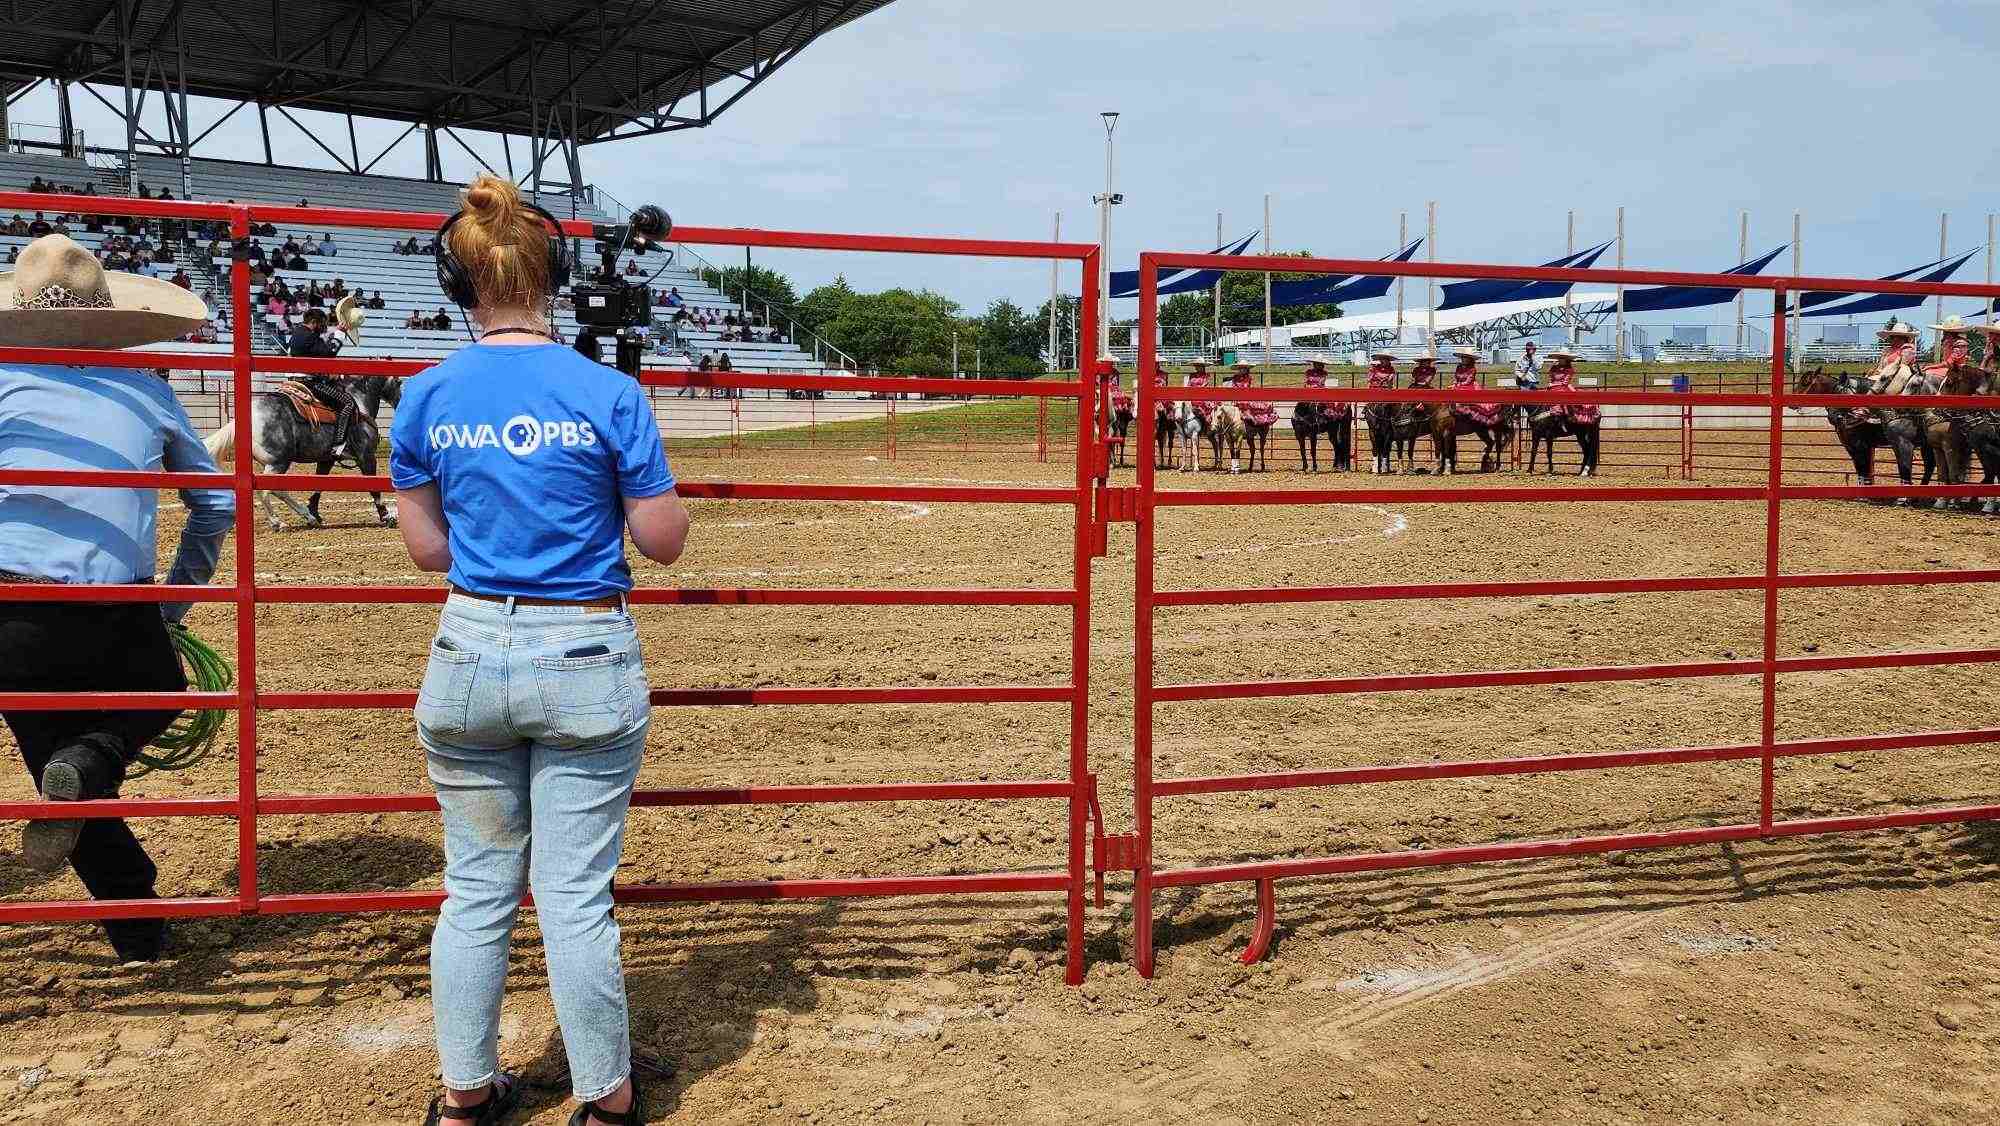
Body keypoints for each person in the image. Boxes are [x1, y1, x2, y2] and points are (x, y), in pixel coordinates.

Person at [389, 173, 688, 1126]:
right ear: (551, 278)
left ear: (459, 283)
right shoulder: (610, 391)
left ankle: (465, 1096)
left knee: (475, 891)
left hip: (471, 647)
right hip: (585, 655)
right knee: (572, 897)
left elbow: (428, 548)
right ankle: (606, 1101)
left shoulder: (425, 394)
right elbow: (663, 539)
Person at [0, 234, 233, 961]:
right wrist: (169, 607)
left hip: (10, 613)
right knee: (160, 690)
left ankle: (137, 928)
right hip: (116, 608)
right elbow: (215, 505)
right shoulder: (147, 386)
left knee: (55, 772)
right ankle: (98, 759)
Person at [288, 307, 357, 458]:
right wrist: (339, 334)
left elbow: (317, 348)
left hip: (293, 379)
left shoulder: (298, 333)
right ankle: (338, 445)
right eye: (321, 324)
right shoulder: (309, 337)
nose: (323, 327)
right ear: (313, 322)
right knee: (347, 403)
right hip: (310, 383)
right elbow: (329, 353)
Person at [1451, 346, 1500, 430]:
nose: (1463, 359)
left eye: (1466, 357)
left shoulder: (1472, 369)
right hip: (1459, 387)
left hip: (1469, 388)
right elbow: (1456, 377)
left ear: (1470, 359)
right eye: (1463, 357)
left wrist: (1458, 385)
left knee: (1467, 404)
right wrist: (1455, 384)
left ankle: (1477, 419)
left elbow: (1468, 380)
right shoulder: (1458, 367)